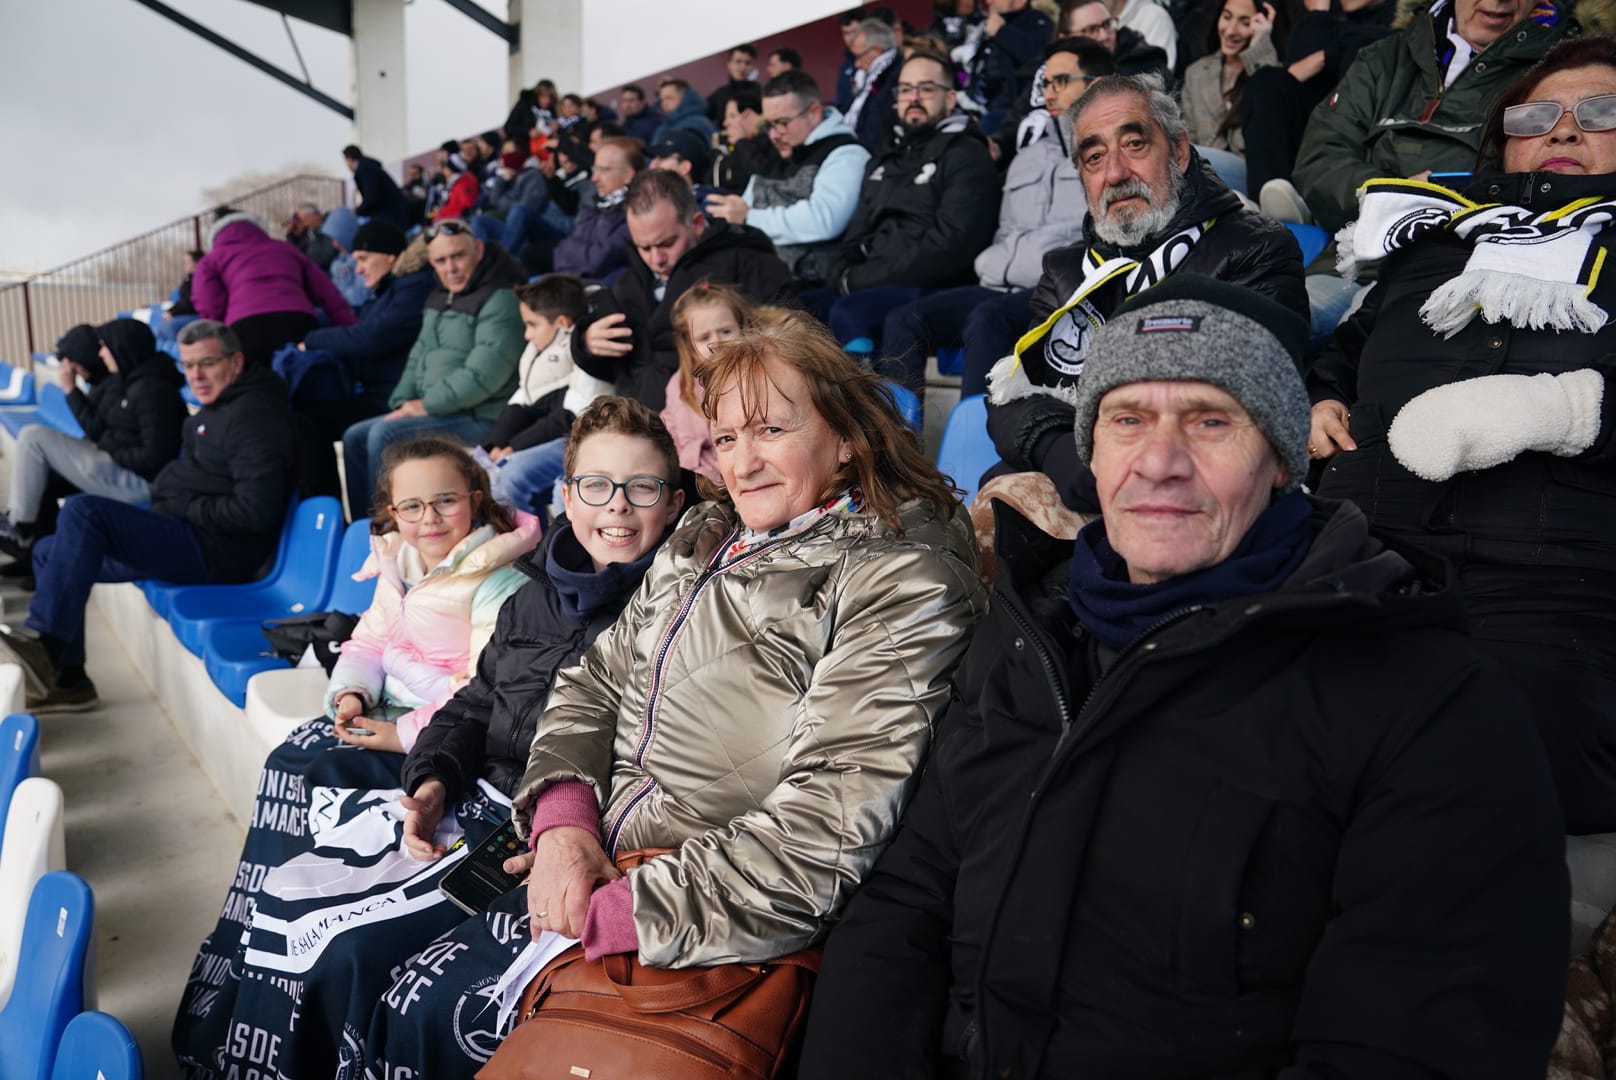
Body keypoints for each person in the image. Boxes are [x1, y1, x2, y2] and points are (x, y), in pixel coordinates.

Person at [798, 274, 1570, 1079]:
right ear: (1090, 452)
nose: (1160, 463)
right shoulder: (1026, 636)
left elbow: (1410, 1046)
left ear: (1278, 458)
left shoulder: (1432, 702)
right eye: (1127, 420)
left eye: (1210, 421)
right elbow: (902, 910)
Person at [358, 313, 988, 1077]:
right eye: (725, 439)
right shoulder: (705, 536)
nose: (743, 463)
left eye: (770, 430)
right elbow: (590, 685)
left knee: (430, 1024)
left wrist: (613, 909)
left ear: (846, 434)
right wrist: (561, 824)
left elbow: (823, 831)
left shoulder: (900, 577)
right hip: (594, 864)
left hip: (703, 919)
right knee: (387, 997)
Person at [1309, 34, 1616, 833]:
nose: (1565, 130)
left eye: (1602, 111)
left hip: (1552, 575)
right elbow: (1347, 346)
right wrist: (1317, 399)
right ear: (1502, 139)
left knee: (1512, 729)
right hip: (1365, 541)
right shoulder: (1437, 242)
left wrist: (1566, 411)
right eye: (1538, 114)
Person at [173, 436, 541, 1075]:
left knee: (313, 768)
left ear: (475, 501)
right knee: (289, 758)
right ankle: (254, 940)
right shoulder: (398, 559)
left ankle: (301, 928)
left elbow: (480, 693)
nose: (428, 519)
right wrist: (349, 692)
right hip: (384, 717)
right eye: (412, 506)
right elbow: (369, 639)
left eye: (446, 502)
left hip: (439, 743)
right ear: (391, 514)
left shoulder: (499, 580)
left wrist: (401, 735)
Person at [985, 71, 1305, 514]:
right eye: (1094, 157)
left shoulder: (1255, 247)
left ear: (1178, 151)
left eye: (1134, 145)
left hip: (1190, 489)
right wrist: (1057, 451)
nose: (1115, 173)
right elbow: (1013, 397)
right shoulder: (1064, 270)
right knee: (999, 500)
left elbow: (1238, 403)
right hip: (1082, 485)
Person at [0, 321, 294, 712]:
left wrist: (183, 502)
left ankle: (47, 645)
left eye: (207, 363)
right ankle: (69, 680)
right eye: (189, 366)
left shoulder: (254, 417)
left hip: (215, 551)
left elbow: (255, 511)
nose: (196, 376)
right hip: (184, 530)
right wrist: (176, 496)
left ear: (236, 361)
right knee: (47, 551)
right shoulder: (215, 409)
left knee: (85, 510)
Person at [1273, 0, 1587, 342]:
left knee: (1372, 346)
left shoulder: (1565, 71)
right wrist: (1401, 194)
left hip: (1469, 270)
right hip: (1358, 259)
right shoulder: (1385, 58)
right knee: (1267, 323)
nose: (1499, 1)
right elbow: (1320, 160)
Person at [878, 39, 1101, 394]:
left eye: (1061, 82)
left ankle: (975, 446)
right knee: (904, 319)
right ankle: (896, 441)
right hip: (995, 286)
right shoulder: (1025, 157)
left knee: (986, 320)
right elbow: (1006, 231)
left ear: (1096, 84)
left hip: (1057, 292)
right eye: (1045, 84)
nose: (1049, 94)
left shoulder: (1105, 157)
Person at [805, 51, 1000, 360]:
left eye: (926, 89)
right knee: (797, 307)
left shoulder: (966, 154)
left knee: (850, 311)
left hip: (935, 285)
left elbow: (952, 245)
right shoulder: (883, 159)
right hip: (874, 281)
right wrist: (841, 274)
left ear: (950, 98)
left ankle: (867, 407)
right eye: (906, 89)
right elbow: (855, 235)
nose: (914, 98)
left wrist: (861, 280)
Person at [341, 221, 525, 520]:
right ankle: (365, 527)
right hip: (442, 410)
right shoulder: (439, 297)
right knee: (354, 436)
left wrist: (424, 405)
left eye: (458, 256)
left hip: (482, 415)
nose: (450, 267)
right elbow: (418, 356)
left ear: (478, 250)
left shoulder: (500, 298)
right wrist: (403, 400)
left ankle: (389, 527)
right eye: (441, 260)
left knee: (383, 435)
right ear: (431, 263)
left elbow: (483, 376)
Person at [572, 168, 794, 411]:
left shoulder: (749, 264)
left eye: (666, 243)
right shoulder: (628, 283)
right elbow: (619, 370)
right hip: (636, 424)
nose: (656, 259)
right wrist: (586, 344)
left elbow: (789, 341)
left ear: (697, 224)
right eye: (643, 247)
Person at [0, 320, 186, 558]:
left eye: (105, 347)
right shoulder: (134, 383)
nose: (101, 354)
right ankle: (35, 555)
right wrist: (109, 442)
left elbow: (154, 458)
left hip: (137, 483)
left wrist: (107, 444)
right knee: (42, 471)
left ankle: (20, 527)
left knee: (33, 437)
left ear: (121, 348)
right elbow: (113, 433)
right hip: (121, 468)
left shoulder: (152, 391)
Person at [291, 220, 437, 500]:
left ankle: (369, 520)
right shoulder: (388, 291)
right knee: (304, 419)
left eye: (363, 259)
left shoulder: (414, 288)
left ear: (391, 256)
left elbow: (371, 338)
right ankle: (337, 513)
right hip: (377, 393)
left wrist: (312, 340)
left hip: (396, 398)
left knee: (325, 426)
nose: (357, 269)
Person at [703, 70, 870, 286]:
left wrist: (749, 218)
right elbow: (744, 205)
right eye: (769, 125)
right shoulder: (785, 148)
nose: (773, 135)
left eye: (782, 122)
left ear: (814, 113)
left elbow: (823, 220)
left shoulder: (846, 155)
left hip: (812, 283)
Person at [481, 276, 612, 517]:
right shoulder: (536, 348)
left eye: (532, 324)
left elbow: (574, 414)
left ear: (562, 323)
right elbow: (524, 397)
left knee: (510, 473)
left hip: (582, 436)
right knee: (482, 465)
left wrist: (514, 447)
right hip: (547, 431)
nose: (526, 335)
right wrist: (495, 443)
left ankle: (533, 544)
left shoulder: (585, 351)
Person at [191, 209, 356, 369]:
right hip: (298, 320)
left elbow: (208, 305)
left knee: (258, 386)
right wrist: (353, 333)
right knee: (303, 377)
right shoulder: (286, 248)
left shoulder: (212, 259)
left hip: (246, 328)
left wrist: (226, 329)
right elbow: (327, 293)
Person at [1180, 0, 1279, 196]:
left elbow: (1272, 123)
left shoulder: (1271, 70)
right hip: (1200, 174)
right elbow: (1186, 134)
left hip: (1250, 175)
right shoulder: (1196, 72)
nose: (1231, 30)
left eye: (1244, 22)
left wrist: (1261, 45)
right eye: (1226, 17)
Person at [663, 282, 755, 480]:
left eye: (726, 331)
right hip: (693, 476)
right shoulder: (679, 384)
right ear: (689, 344)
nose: (717, 341)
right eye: (704, 337)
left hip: (740, 472)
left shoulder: (756, 373)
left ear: (742, 327)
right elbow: (668, 430)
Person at [967, 0, 1056, 135]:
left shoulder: (1036, 20)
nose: (988, 1)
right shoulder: (987, 27)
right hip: (983, 108)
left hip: (1016, 112)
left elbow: (1038, 53)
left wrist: (1001, 31)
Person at [710, 84, 779, 194]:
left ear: (749, 115)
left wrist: (741, 142)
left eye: (732, 116)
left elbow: (762, 174)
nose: (725, 123)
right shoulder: (730, 147)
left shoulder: (774, 141)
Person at [846, 17, 903, 147]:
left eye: (859, 56)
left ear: (877, 51)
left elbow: (876, 131)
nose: (857, 63)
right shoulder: (865, 78)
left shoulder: (896, 76)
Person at [343, 144, 412, 228]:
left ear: (350, 158)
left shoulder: (364, 169)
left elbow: (371, 196)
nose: (346, 164)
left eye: (345, 161)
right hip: (394, 213)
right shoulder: (368, 166)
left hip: (391, 216)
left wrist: (356, 212)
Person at [650, 77, 717, 147]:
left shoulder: (699, 122)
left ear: (686, 98)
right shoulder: (661, 129)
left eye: (669, 98)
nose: (664, 103)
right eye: (662, 100)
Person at [707, 43, 762, 125]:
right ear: (729, 65)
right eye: (738, 61)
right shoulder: (719, 95)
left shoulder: (761, 92)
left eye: (747, 63)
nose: (743, 67)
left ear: (752, 66)